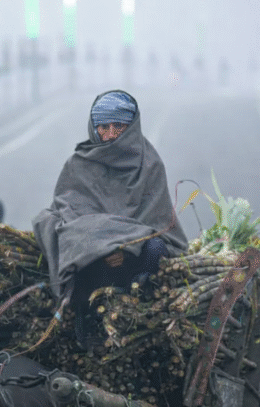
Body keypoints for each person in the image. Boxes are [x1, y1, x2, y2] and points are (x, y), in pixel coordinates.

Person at [32, 90, 188, 347]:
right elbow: (71, 215)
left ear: (131, 127)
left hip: (134, 260)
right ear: (94, 128)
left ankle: (140, 312)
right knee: (54, 228)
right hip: (91, 258)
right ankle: (86, 317)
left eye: (119, 126)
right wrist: (100, 249)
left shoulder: (149, 165)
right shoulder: (78, 164)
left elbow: (155, 223)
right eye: (103, 126)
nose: (111, 134)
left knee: (156, 248)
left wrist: (127, 249)